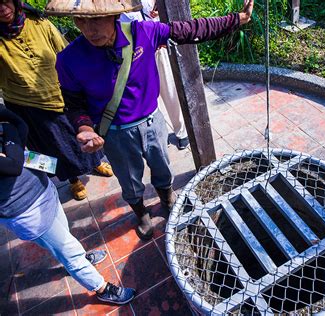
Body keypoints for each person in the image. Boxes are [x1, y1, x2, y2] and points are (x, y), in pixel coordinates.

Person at [46, 0, 254, 241]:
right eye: (80, 19)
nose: (89, 29)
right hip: (114, 133)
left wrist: (237, 20)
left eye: (96, 19)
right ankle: (141, 213)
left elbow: (192, 29)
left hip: (152, 122)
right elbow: (73, 103)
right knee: (129, 179)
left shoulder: (144, 32)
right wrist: (83, 127)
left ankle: (167, 199)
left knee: (163, 167)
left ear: (114, 14)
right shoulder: (68, 59)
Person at [0, 108, 136, 305]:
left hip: (44, 190)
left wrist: (11, 141)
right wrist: (11, 139)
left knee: (65, 235)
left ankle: (78, 259)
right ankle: (101, 288)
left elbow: (21, 126)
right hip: (25, 211)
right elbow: (13, 164)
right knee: (68, 249)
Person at [0, 0, 114, 201]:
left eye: (5, 2)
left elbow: (65, 52)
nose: (3, 9)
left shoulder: (39, 24)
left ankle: (96, 163)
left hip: (60, 94)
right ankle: (72, 180)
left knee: (82, 132)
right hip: (27, 105)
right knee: (53, 147)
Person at [119, 0, 190, 150]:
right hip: (134, 55)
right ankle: (155, 135)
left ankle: (181, 131)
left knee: (170, 91)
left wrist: (161, 12)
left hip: (158, 48)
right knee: (145, 96)